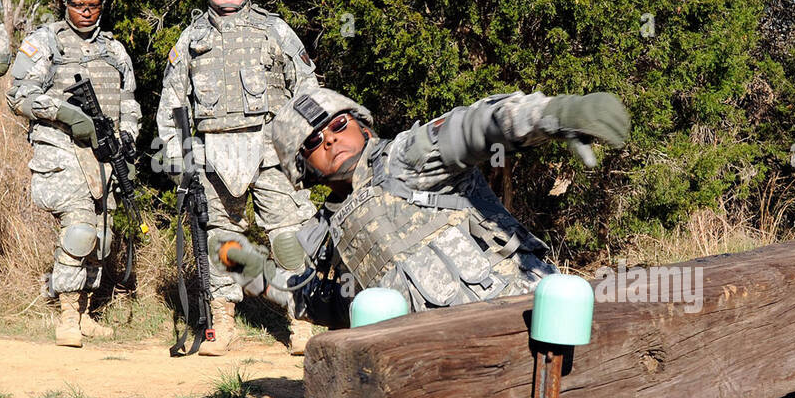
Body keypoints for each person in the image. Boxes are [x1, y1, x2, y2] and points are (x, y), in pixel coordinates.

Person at [233, 87, 629, 327]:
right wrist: (253, 272)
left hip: (527, 318)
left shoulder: (405, 159)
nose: (331, 142)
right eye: (313, 143)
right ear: (301, 168)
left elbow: (474, 125)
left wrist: (554, 115)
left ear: (362, 126)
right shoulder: (326, 234)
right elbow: (323, 303)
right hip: (441, 363)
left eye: (338, 126)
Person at [155, 0, 320, 356]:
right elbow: (172, 102)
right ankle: (223, 322)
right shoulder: (191, 39)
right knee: (223, 240)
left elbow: (308, 89)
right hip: (213, 154)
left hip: (271, 151)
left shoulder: (275, 30)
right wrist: (179, 158)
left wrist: (306, 143)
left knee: (288, 239)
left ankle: (302, 321)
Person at [5, 0, 140, 347]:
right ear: (64, 3)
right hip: (61, 147)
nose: (86, 11)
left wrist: (127, 136)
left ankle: (84, 312)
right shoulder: (46, 42)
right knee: (80, 228)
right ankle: (66, 315)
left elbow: (129, 102)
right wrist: (66, 114)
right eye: (78, 3)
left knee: (102, 234)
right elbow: (18, 96)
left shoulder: (114, 50)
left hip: (104, 152)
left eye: (93, 4)